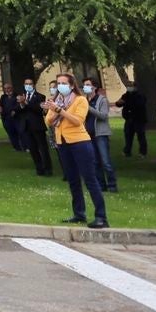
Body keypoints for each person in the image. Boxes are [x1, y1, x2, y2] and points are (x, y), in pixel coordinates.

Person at [42, 73, 109, 228]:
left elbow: (77, 121)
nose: (60, 86)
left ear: (72, 85)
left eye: (64, 83)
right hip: (63, 142)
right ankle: (79, 213)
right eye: (58, 83)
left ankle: (101, 217)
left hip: (80, 143)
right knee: (73, 180)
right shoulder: (57, 101)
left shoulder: (80, 100)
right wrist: (53, 110)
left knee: (90, 179)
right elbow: (49, 121)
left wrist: (60, 110)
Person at [84, 77, 118, 192]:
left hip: (101, 134)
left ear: (94, 87)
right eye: (84, 85)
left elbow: (103, 116)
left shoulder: (101, 100)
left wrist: (89, 108)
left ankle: (112, 185)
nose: (85, 87)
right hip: (89, 134)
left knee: (106, 162)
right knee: (95, 162)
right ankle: (101, 185)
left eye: (87, 84)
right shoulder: (84, 100)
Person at [16, 78, 53, 176]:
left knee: (43, 148)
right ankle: (39, 168)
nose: (28, 85)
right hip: (26, 126)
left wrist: (26, 102)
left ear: (33, 85)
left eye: (30, 84)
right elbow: (17, 110)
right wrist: (21, 103)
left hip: (37, 126)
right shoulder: (21, 97)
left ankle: (48, 169)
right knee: (32, 149)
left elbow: (38, 109)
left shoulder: (40, 96)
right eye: (26, 84)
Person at [114, 80, 149, 158]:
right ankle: (127, 151)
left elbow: (138, 105)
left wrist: (125, 103)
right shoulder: (126, 95)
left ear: (135, 87)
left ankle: (143, 152)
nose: (129, 88)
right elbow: (119, 103)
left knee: (141, 136)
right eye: (128, 86)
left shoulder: (140, 95)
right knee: (128, 136)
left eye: (131, 86)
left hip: (139, 119)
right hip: (129, 119)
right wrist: (119, 103)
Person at [0, 83, 24, 151]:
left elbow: (19, 105)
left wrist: (15, 110)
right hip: (7, 117)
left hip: (16, 117)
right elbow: (0, 104)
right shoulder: (3, 96)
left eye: (8, 88)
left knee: (20, 132)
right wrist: (0, 108)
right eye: (5, 88)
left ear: (11, 88)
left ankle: (24, 147)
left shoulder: (17, 95)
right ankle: (16, 148)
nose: (7, 90)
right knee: (11, 133)